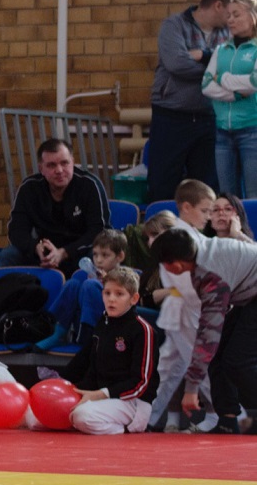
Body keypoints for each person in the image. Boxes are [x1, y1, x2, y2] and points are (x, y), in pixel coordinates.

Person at [150, 228, 257, 434]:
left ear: (175, 265)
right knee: (218, 357)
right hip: (248, 294)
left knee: (238, 361)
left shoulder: (211, 276)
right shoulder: (196, 250)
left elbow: (208, 335)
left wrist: (191, 389)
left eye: (163, 265)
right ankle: (227, 421)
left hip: (252, 294)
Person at [147, 0, 239, 202]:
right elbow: (176, 64)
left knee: (207, 188)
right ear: (218, 5)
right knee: (163, 183)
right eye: (230, 12)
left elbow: (235, 65)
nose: (232, 18)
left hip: (209, 119)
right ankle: (161, 224)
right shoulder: (174, 25)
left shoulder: (228, 33)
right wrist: (216, 72)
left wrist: (204, 56)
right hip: (171, 117)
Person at [149, 180, 220, 433]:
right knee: (186, 365)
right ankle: (218, 414)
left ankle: (150, 416)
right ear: (186, 207)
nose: (208, 216)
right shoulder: (178, 237)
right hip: (187, 309)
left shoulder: (193, 236)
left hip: (190, 309)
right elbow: (183, 279)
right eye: (205, 210)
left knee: (172, 367)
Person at [0, 138, 110, 277]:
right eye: (51, 165)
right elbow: (16, 230)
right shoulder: (29, 188)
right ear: (41, 169)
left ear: (73, 162)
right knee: (9, 254)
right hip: (44, 253)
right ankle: (5, 291)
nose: (59, 170)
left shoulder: (89, 185)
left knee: (97, 255)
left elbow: (98, 232)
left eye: (64, 163)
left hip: (79, 252)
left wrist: (64, 252)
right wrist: (35, 247)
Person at [69, 268, 159, 435]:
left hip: (132, 401)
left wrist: (100, 394)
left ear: (134, 299)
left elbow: (141, 383)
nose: (111, 299)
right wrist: (74, 390)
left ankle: (124, 430)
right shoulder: (103, 324)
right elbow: (93, 369)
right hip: (102, 397)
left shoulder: (142, 330)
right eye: (107, 293)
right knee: (38, 416)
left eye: (119, 294)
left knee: (82, 416)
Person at [202, 0, 257, 199]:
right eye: (228, 16)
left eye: (236, 14)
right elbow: (206, 85)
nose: (230, 20)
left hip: (252, 131)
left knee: (253, 195)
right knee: (227, 197)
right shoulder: (221, 50)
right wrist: (236, 95)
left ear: (252, 16)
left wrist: (222, 77)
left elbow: (254, 83)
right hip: (223, 133)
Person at [36, 228, 128, 350]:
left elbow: (124, 305)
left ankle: (91, 338)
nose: (98, 260)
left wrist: (106, 283)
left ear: (120, 256)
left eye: (105, 255)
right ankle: (54, 330)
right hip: (82, 322)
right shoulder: (95, 274)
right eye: (95, 254)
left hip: (108, 326)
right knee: (72, 284)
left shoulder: (126, 276)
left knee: (90, 285)